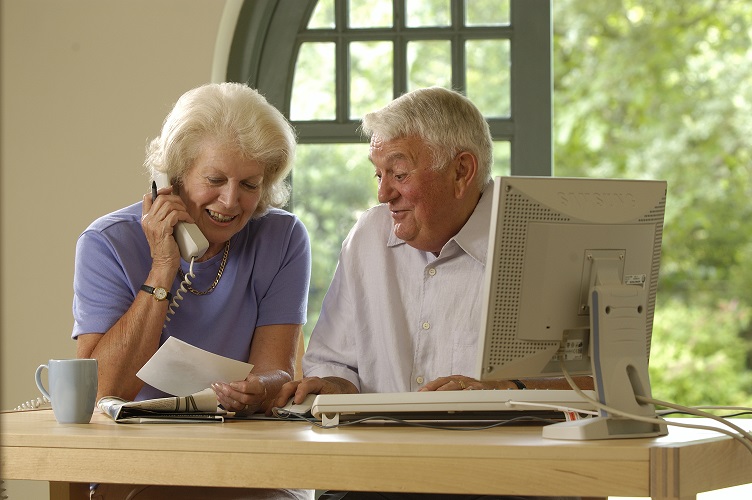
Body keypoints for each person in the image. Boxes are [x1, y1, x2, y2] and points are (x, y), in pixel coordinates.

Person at [274, 87, 593, 500]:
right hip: (377, 477)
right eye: (379, 174)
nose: (383, 194)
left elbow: (597, 390)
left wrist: (502, 392)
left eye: (399, 174)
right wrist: (334, 387)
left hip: (501, 482)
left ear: (462, 172)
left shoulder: (540, 240)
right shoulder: (368, 236)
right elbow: (335, 364)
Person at [73, 82, 312, 500]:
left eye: (250, 185)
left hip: (246, 461)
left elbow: (278, 370)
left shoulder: (283, 237)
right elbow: (103, 390)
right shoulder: (106, 242)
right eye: (215, 179)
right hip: (139, 464)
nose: (231, 201)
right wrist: (164, 267)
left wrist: (260, 391)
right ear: (173, 176)